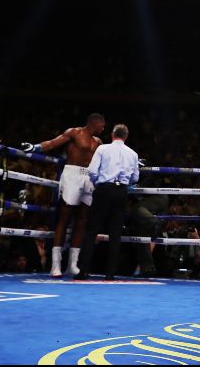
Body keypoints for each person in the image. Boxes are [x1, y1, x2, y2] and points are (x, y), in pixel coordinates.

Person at [21, 113, 105, 277]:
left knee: (82, 220)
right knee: (64, 217)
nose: (103, 129)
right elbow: (53, 143)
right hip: (72, 174)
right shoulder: (74, 132)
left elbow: (107, 158)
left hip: (89, 177)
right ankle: (56, 265)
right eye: (102, 125)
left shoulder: (99, 142)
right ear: (95, 123)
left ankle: (72, 265)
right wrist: (35, 147)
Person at [75, 124, 139, 281]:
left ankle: (83, 270)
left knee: (91, 231)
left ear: (112, 135)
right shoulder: (133, 154)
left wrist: (99, 183)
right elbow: (135, 178)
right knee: (115, 234)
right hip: (121, 192)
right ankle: (110, 274)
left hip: (104, 190)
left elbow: (92, 171)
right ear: (126, 137)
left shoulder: (103, 149)